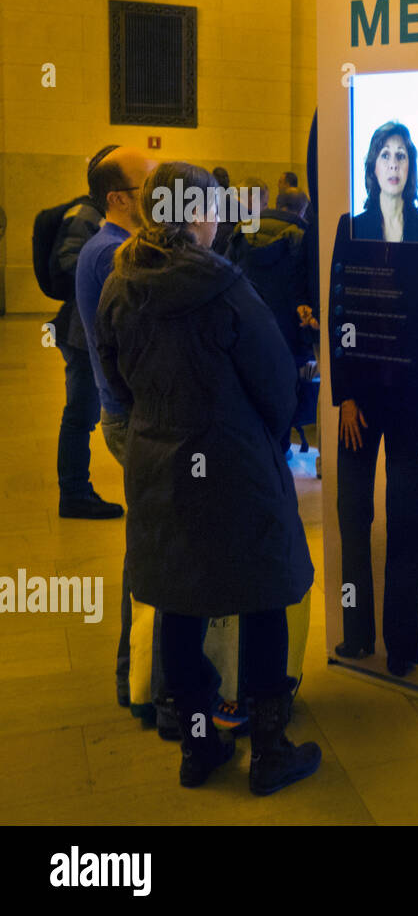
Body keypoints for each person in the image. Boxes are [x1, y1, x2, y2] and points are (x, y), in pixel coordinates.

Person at [96, 161, 320, 794]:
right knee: (264, 595)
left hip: (159, 464)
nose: (219, 218)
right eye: (213, 207)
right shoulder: (221, 286)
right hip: (234, 464)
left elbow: (116, 380)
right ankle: (269, 749)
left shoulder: (122, 283)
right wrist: (262, 436)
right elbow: (276, 381)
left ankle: (198, 746)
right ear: (193, 213)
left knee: (178, 601)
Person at [328, 121, 418, 678]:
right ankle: (356, 635)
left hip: (412, 405)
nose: (394, 164)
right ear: (372, 166)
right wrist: (344, 396)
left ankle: (402, 645)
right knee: (354, 519)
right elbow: (338, 316)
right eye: (385, 155)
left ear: (411, 166)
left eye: (402, 155)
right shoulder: (350, 230)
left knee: (408, 526)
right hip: (361, 402)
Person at [75, 146, 156, 708]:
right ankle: (138, 675)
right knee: (150, 544)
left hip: (127, 414)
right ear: (119, 198)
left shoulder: (107, 249)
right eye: (149, 181)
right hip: (134, 419)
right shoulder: (115, 255)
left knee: (148, 540)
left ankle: (141, 674)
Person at [49, 145, 124, 519]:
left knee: (82, 414)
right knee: (80, 415)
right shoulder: (88, 216)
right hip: (81, 332)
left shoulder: (94, 214)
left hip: (83, 328)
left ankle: (75, 490)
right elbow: (69, 262)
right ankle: (74, 492)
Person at [225, 185, 313, 452]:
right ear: (303, 209)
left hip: (245, 330)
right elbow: (305, 289)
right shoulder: (303, 237)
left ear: (276, 202)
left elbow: (226, 274)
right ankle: (281, 449)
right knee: (285, 395)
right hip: (287, 334)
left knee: (249, 391)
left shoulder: (243, 229)